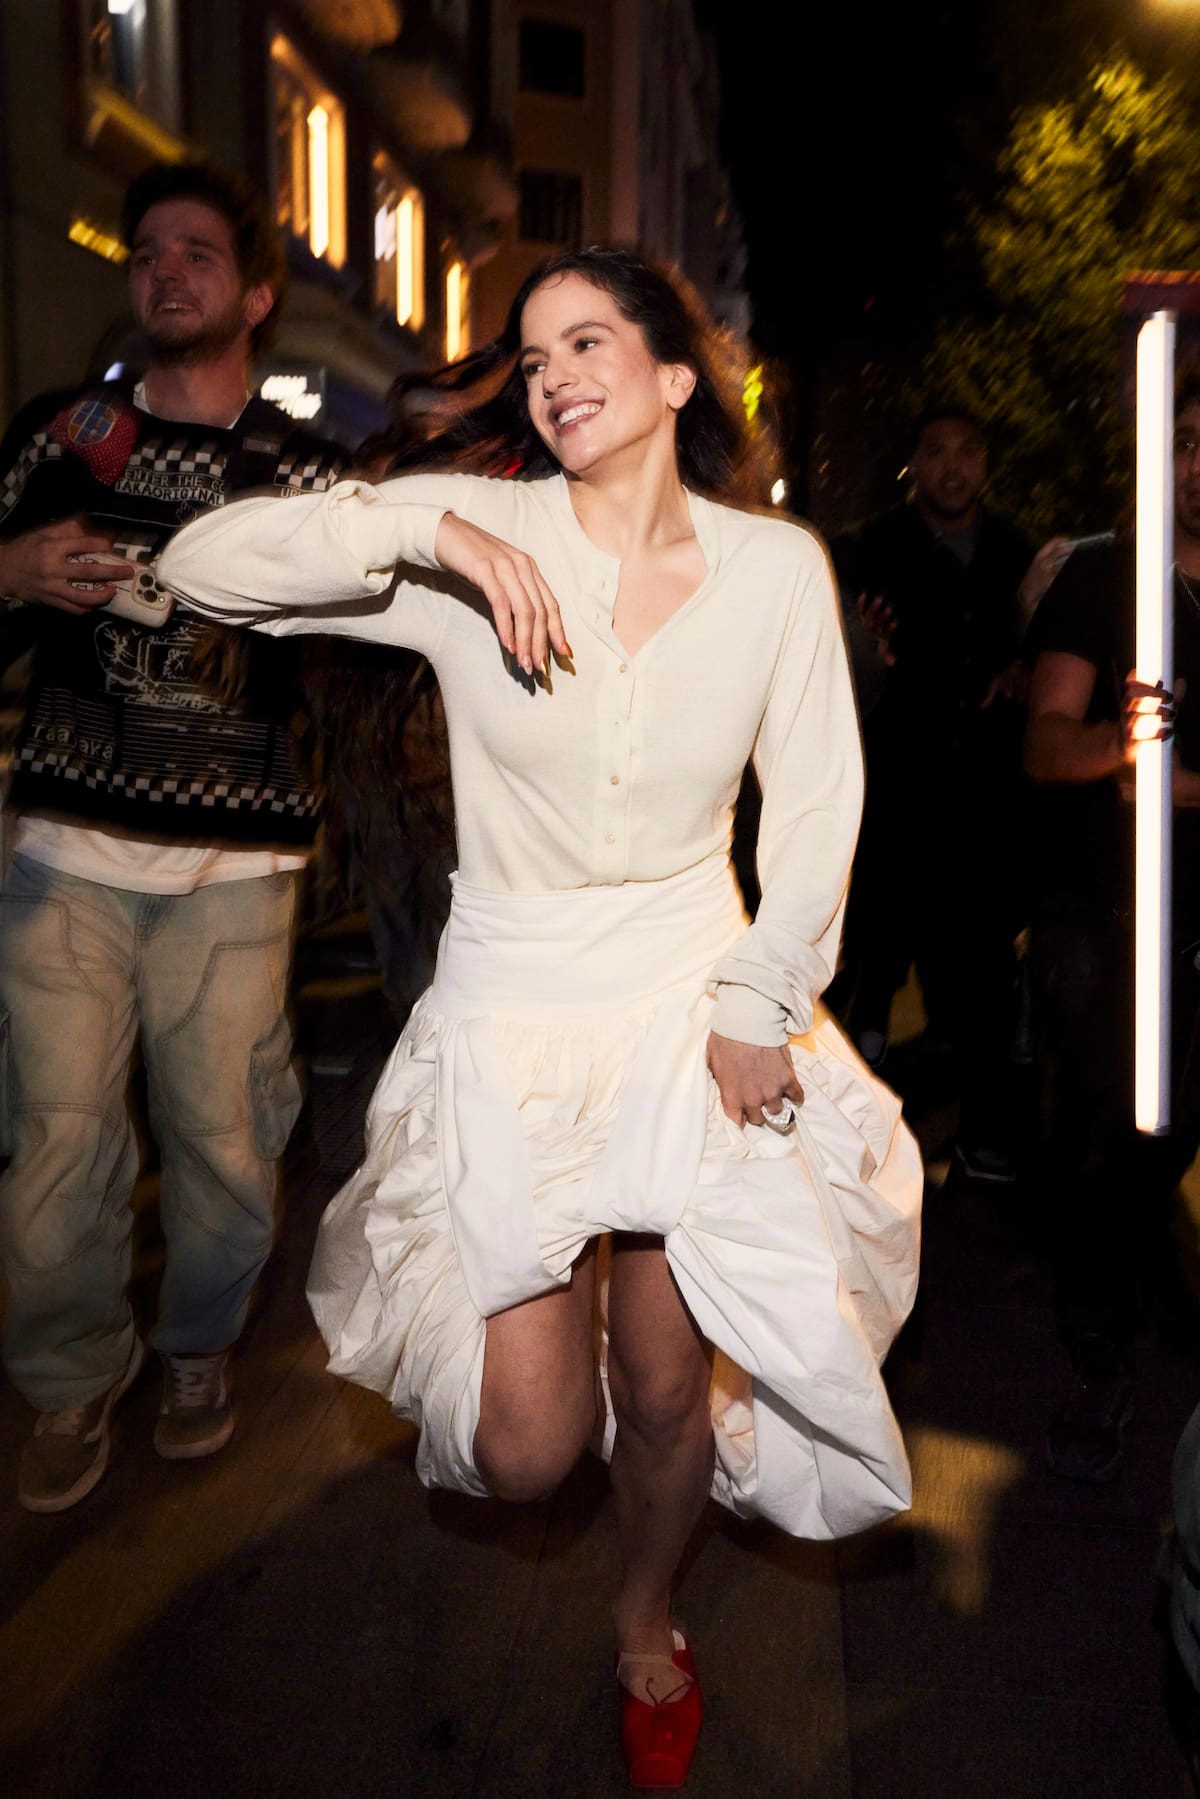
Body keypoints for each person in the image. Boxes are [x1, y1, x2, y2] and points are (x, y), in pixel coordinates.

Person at [159, 246, 922, 1788]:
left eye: (588, 340)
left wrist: (761, 992)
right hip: (514, 1010)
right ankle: (584, 1338)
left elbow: (816, 804)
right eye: (532, 354)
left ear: (678, 375)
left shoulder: (774, 568)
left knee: (665, 1386)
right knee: (524, 1446)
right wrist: (422, 522)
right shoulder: (481, 537)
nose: (554, 372)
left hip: (692, 1001)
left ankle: (645, 1606)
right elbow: (200, 563)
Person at [0, 160, 344, 1513]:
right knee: (55, 1140)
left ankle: (197, 1346)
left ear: (255, 295)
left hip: (237, 871)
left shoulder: (305, 474)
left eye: (199, 251)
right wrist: (12, 571)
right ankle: (70, 1376)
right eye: (149, 250)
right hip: (65, 853)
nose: (166, 269)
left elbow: (375, 650)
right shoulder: (62, 435)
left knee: (225, 1137)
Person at [1022, 378, 1200, 1483]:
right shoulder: (1105, 578)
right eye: (1184, 442)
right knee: (1105, 1136)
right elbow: (1046, 743)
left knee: (1168, 1141)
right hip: (1109, 912)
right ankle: (1099, 1364)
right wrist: (1122, 750)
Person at [829, 406, 1050, 1180]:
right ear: (914, 464)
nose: (954, 468)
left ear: (984, 462)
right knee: (876, 952)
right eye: (937, 452)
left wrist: (1023, 670)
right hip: (897, 790)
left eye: (967, 452)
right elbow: (844, 652)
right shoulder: (868, 548)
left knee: (981, 970)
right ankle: (850, 1131)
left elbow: (1046, 651)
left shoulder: (1017, 552)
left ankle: (983, 1133)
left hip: (984, 798)